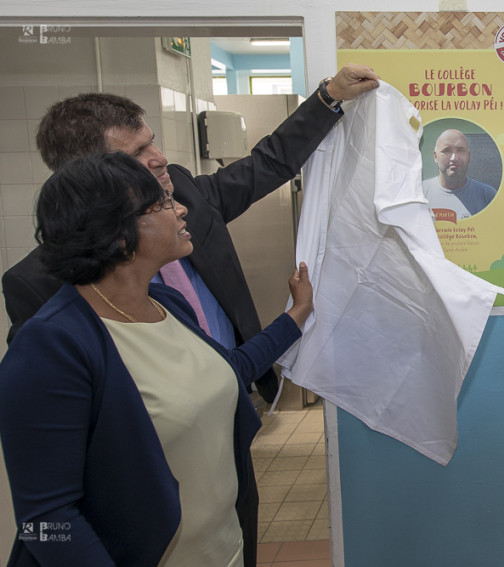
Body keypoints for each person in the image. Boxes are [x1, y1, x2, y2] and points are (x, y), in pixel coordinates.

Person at [0, 152, 313, 566]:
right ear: (117, 233)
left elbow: (227, 371)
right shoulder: (52, 346)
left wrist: (296, 315)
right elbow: (45, 522)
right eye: (163, 203)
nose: (181, 208)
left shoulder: (166, 303)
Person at [2, 63, 379, 406]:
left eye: (152, 140)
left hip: (233, 391)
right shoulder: (39, 284)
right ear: (90, 175)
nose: (160, 157)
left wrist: (328, 98)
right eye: (137, 153)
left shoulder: (183, 194)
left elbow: (268, 163)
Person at [422, 128, 497, 220]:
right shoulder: (420, 193)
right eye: (447, 150)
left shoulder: (488, 195)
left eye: (460, 150)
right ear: (436, 157)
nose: (454, 158)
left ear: (468, 157)